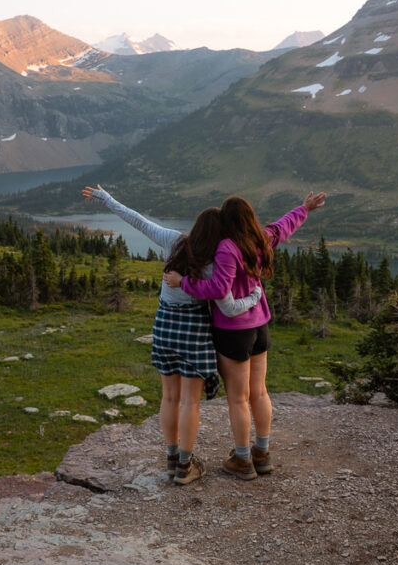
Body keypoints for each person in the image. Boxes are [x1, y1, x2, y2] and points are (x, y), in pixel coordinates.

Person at [82, 185, 262, 486]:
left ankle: (171, 457)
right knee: (190, 402)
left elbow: (137, 220)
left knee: (168, 396)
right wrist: (255, 296)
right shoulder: (216, 260)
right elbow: (228, 306)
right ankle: (184, 467)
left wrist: (107, 199)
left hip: (164, 328)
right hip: (193, 333)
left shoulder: (174, 241)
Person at [164, 191, 326, 481]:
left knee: (238, 399)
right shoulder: (261, 238)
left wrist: (183, 282)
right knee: (260, 392)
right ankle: (261, 454)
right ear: (249, 218)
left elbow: (216, 288)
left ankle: (242, 460)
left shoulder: (227, 247)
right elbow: (283, 225)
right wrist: (304, 208)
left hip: (233, 331)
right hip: (260, 326)